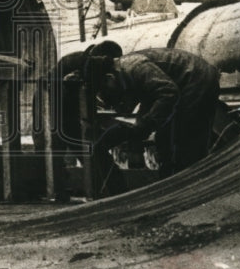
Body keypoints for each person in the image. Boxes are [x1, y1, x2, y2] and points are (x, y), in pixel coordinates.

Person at [84, 45, 222, 178]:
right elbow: (147, 100)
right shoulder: (121, 74)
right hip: (187, 81)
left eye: (105, 91)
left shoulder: (133, 66)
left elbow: (167, 92)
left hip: (195, 78)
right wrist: (138, 128)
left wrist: (144, 125)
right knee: (167, 139)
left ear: (109, 78)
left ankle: (182, 187)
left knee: (180, 141)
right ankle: (175, 181)